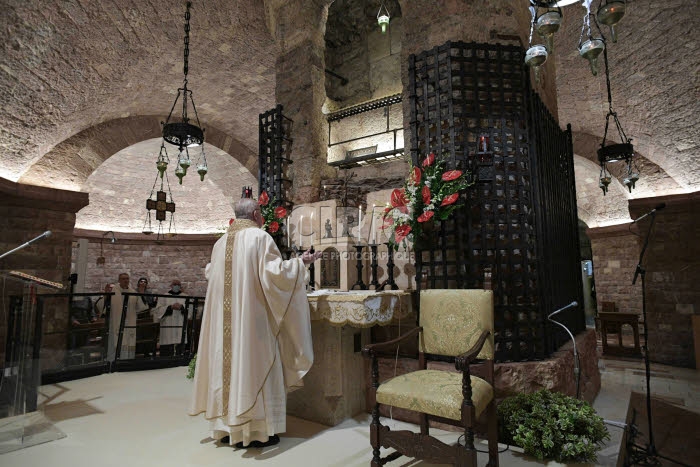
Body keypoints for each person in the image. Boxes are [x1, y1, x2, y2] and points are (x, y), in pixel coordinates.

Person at [189, 197, 321, 449]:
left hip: (224, 328)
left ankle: (227, 429)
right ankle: (256, 431)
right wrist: (301, 263)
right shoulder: (259, 238)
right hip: (252, 325)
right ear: (256, 214)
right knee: (252, 365)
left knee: (227, 369)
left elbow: (211, 275)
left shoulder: (220, 244)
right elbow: (277, 276)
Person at [96, 273, 146, 361]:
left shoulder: (133, 292)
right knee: (115, 345)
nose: (126, 280)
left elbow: (142, 307)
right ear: (119, 280)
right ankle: (113, 364)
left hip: (129, 325)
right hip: (116, 324)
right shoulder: (113, 292)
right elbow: (101, 306)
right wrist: (106, 295)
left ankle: (127, 364)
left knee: (128, 346)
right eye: (123, 279)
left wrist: (142, 294)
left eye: (127, 278)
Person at [153, 279, 188, 356]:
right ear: (171, 286)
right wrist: (170, 307)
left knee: (180, 350)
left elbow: (191, 310)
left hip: (180, 326)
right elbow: (158, 311)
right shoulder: (164, 296)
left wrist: (182, 307)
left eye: (178, 285)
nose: (176, 286)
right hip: (167, 327)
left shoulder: (185, 297)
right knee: (167, 351)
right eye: (175, 284)